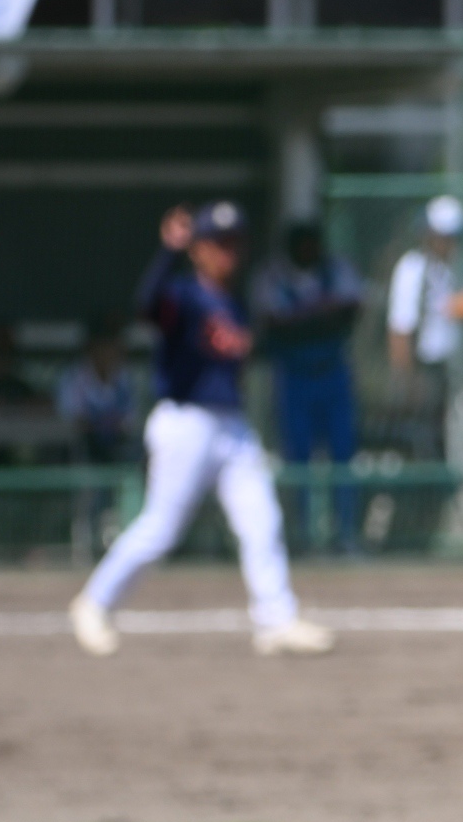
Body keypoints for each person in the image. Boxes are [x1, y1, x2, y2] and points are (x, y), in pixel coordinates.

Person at [68, 202, 335, 659]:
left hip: (231, 424)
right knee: (161, 528)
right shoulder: (183, 295)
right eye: (218, 242)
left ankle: (276, 619)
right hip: (186, 421)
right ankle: (94, 603)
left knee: (262, 519)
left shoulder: (233, 302)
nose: (228, 252)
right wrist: (168, 252)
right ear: (198, 249)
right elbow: (147, 306)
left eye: (234, 243)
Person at [253, 222, 366, 553]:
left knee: (343, 453)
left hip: (333, 374)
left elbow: (348, 314)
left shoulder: (337, 270)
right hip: (294, 376)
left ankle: (345, 533)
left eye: (313, 244)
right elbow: (275, 325)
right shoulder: (272, 277)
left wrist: (303, 319)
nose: (309, 251)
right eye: (302, 245)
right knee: (297, 455)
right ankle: (302, 534)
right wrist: (317, 315)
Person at [386, 195, 463, 461]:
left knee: (439, 435)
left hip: (442, 367)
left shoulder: (444, 270)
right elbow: (401, 327)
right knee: (421, 440)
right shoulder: (413, 268)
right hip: (421, 370)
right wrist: (407, 379)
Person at [54, 312, 137, 464]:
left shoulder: (123, 376)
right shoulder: (74, 376)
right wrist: (101, 424)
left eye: (114, 346)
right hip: (82, 449)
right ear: (92, 347)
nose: (110, 352)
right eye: (105, 346)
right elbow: (71, 420)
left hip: (117, 446)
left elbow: (130, 418)